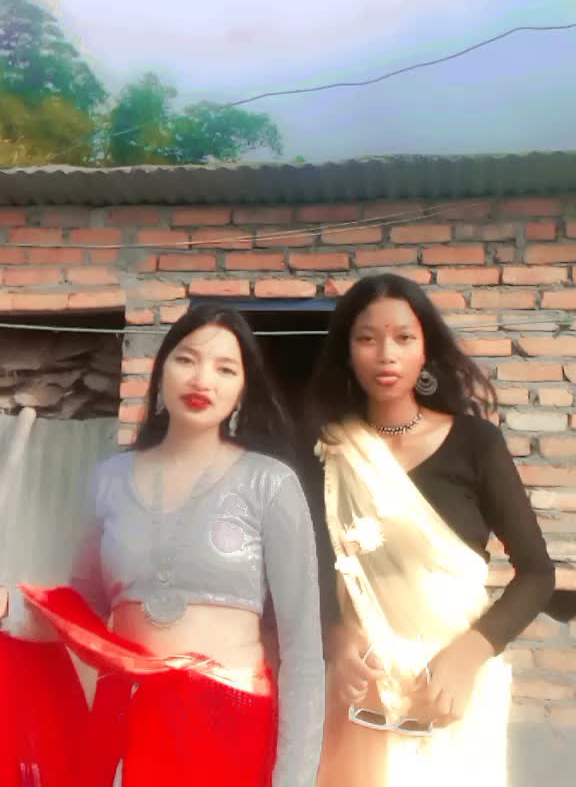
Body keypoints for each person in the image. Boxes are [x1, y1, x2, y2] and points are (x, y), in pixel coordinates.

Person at [1, 304, 325, 786]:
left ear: (243, 390)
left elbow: (303, 652)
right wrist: (14, 609)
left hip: (229, 729)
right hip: (122, 729)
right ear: (162, 370)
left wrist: (294, 779)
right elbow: (82, 615)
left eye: (225, 368)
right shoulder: (110, 480)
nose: (202, 379)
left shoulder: (270, 484)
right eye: (186, 359)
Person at [307, 273, 555, 787]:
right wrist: (335, 637)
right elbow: (308, 570)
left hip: (453, 693)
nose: (386, 354)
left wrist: (471, 652)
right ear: (348, 353)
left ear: (425, 351)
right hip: (362, 691)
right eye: (367, 338)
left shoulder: (475, 443)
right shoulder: (329, 452)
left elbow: (537, 573)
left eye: (403, 337)